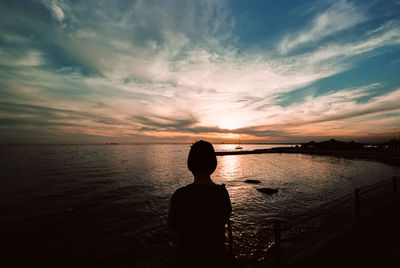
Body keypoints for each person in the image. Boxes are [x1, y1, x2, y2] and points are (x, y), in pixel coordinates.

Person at [168, 140, 232, 268]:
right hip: (216, 258)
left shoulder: (180, 195)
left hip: (187, 260)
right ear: (213, 164)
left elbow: (173, 229)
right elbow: (223, 220)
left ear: (190, 164)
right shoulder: (222, 193)